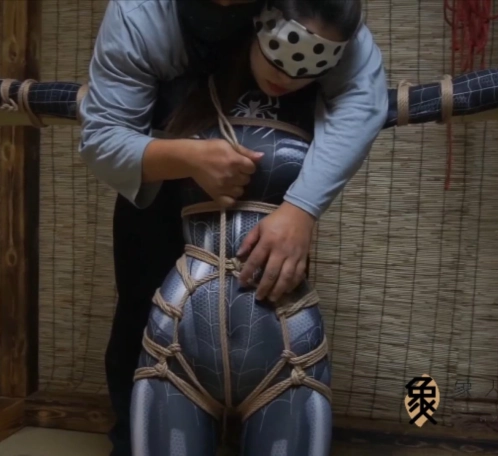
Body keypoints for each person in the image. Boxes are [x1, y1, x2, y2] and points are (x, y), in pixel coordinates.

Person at [79, 0, 387, 454]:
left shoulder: (318, 11)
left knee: (267, 301)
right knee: (139, 312)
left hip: (271, 185)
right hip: (165, 157)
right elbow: (102, 138)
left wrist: (301, 208)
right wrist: (187, 157)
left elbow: (363, 97)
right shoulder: (139, 14)